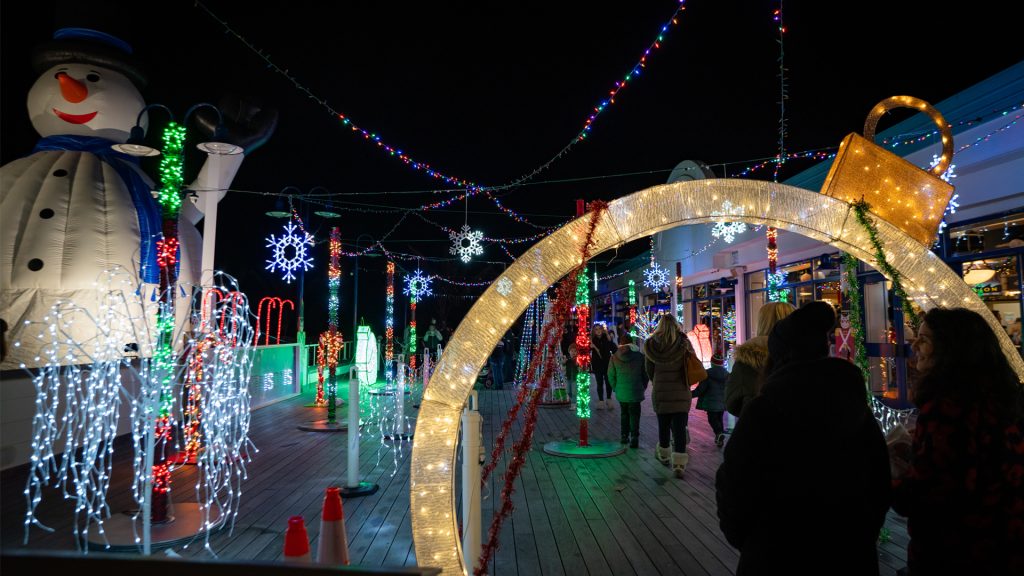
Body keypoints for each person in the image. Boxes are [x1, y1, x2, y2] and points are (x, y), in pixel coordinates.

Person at [715, 301, 891, 575]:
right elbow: (879, 478)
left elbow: (735, 485)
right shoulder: (852, 404)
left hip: (776, 556)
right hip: (850, 554)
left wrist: (753, 542)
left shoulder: (763, 411)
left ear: (778, 357)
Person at [888, 308, 1024, 575]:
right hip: (1008, 541)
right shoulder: (1004, 397)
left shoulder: (947, 409)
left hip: (958, 550)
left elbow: (932, 493)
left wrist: (893, 475)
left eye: (924, 339)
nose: (914, 345)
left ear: (951, 349)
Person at [644, 314, 705, 478]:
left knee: (663, 425)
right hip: (681, 391)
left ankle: (663, 455)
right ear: (676, 325)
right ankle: (678, 463)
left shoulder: (651, 344)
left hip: (661, 391)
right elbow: (691, 362)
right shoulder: (684, 343)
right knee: (679, 428)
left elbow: (649, 369)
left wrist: (656, 380)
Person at [724, 301, 795, 417]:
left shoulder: (747, 358)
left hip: (760, 427)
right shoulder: (807, 355)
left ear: (762, 323)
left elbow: (732, 401)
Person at [607, 333, 647, 448]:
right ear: (632, 343)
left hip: (622, 391)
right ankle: (635, 437)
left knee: (624, 414)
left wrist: (616, 387)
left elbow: (610, 375)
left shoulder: (614, 357)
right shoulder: (639, 357)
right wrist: (642, 386)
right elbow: (645, 374)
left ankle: (624, 436)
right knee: (635, 414)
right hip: (636, 391)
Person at [694, 349, 728, 447]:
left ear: (712, 363)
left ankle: (718, 433)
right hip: (722, 402)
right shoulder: (727, 374)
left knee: (712, 419)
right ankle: (720, 440)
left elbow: (701, 389)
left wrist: (690, 394)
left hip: (711, 402)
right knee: (719, 419)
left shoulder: (707, 374)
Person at [589, 323, 617, 409]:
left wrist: (609, 339)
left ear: (602, 330)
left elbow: (614, 349)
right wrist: (590, 347)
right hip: (597, 365)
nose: (598, 331)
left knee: (608, 382)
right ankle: (601, 401)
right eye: (596, 329)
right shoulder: (592, 340)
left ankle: (609, 399)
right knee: (599, 383)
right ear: (594, 331)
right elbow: (586, 350)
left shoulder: (606, 338)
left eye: (599, 329)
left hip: (607, 364)